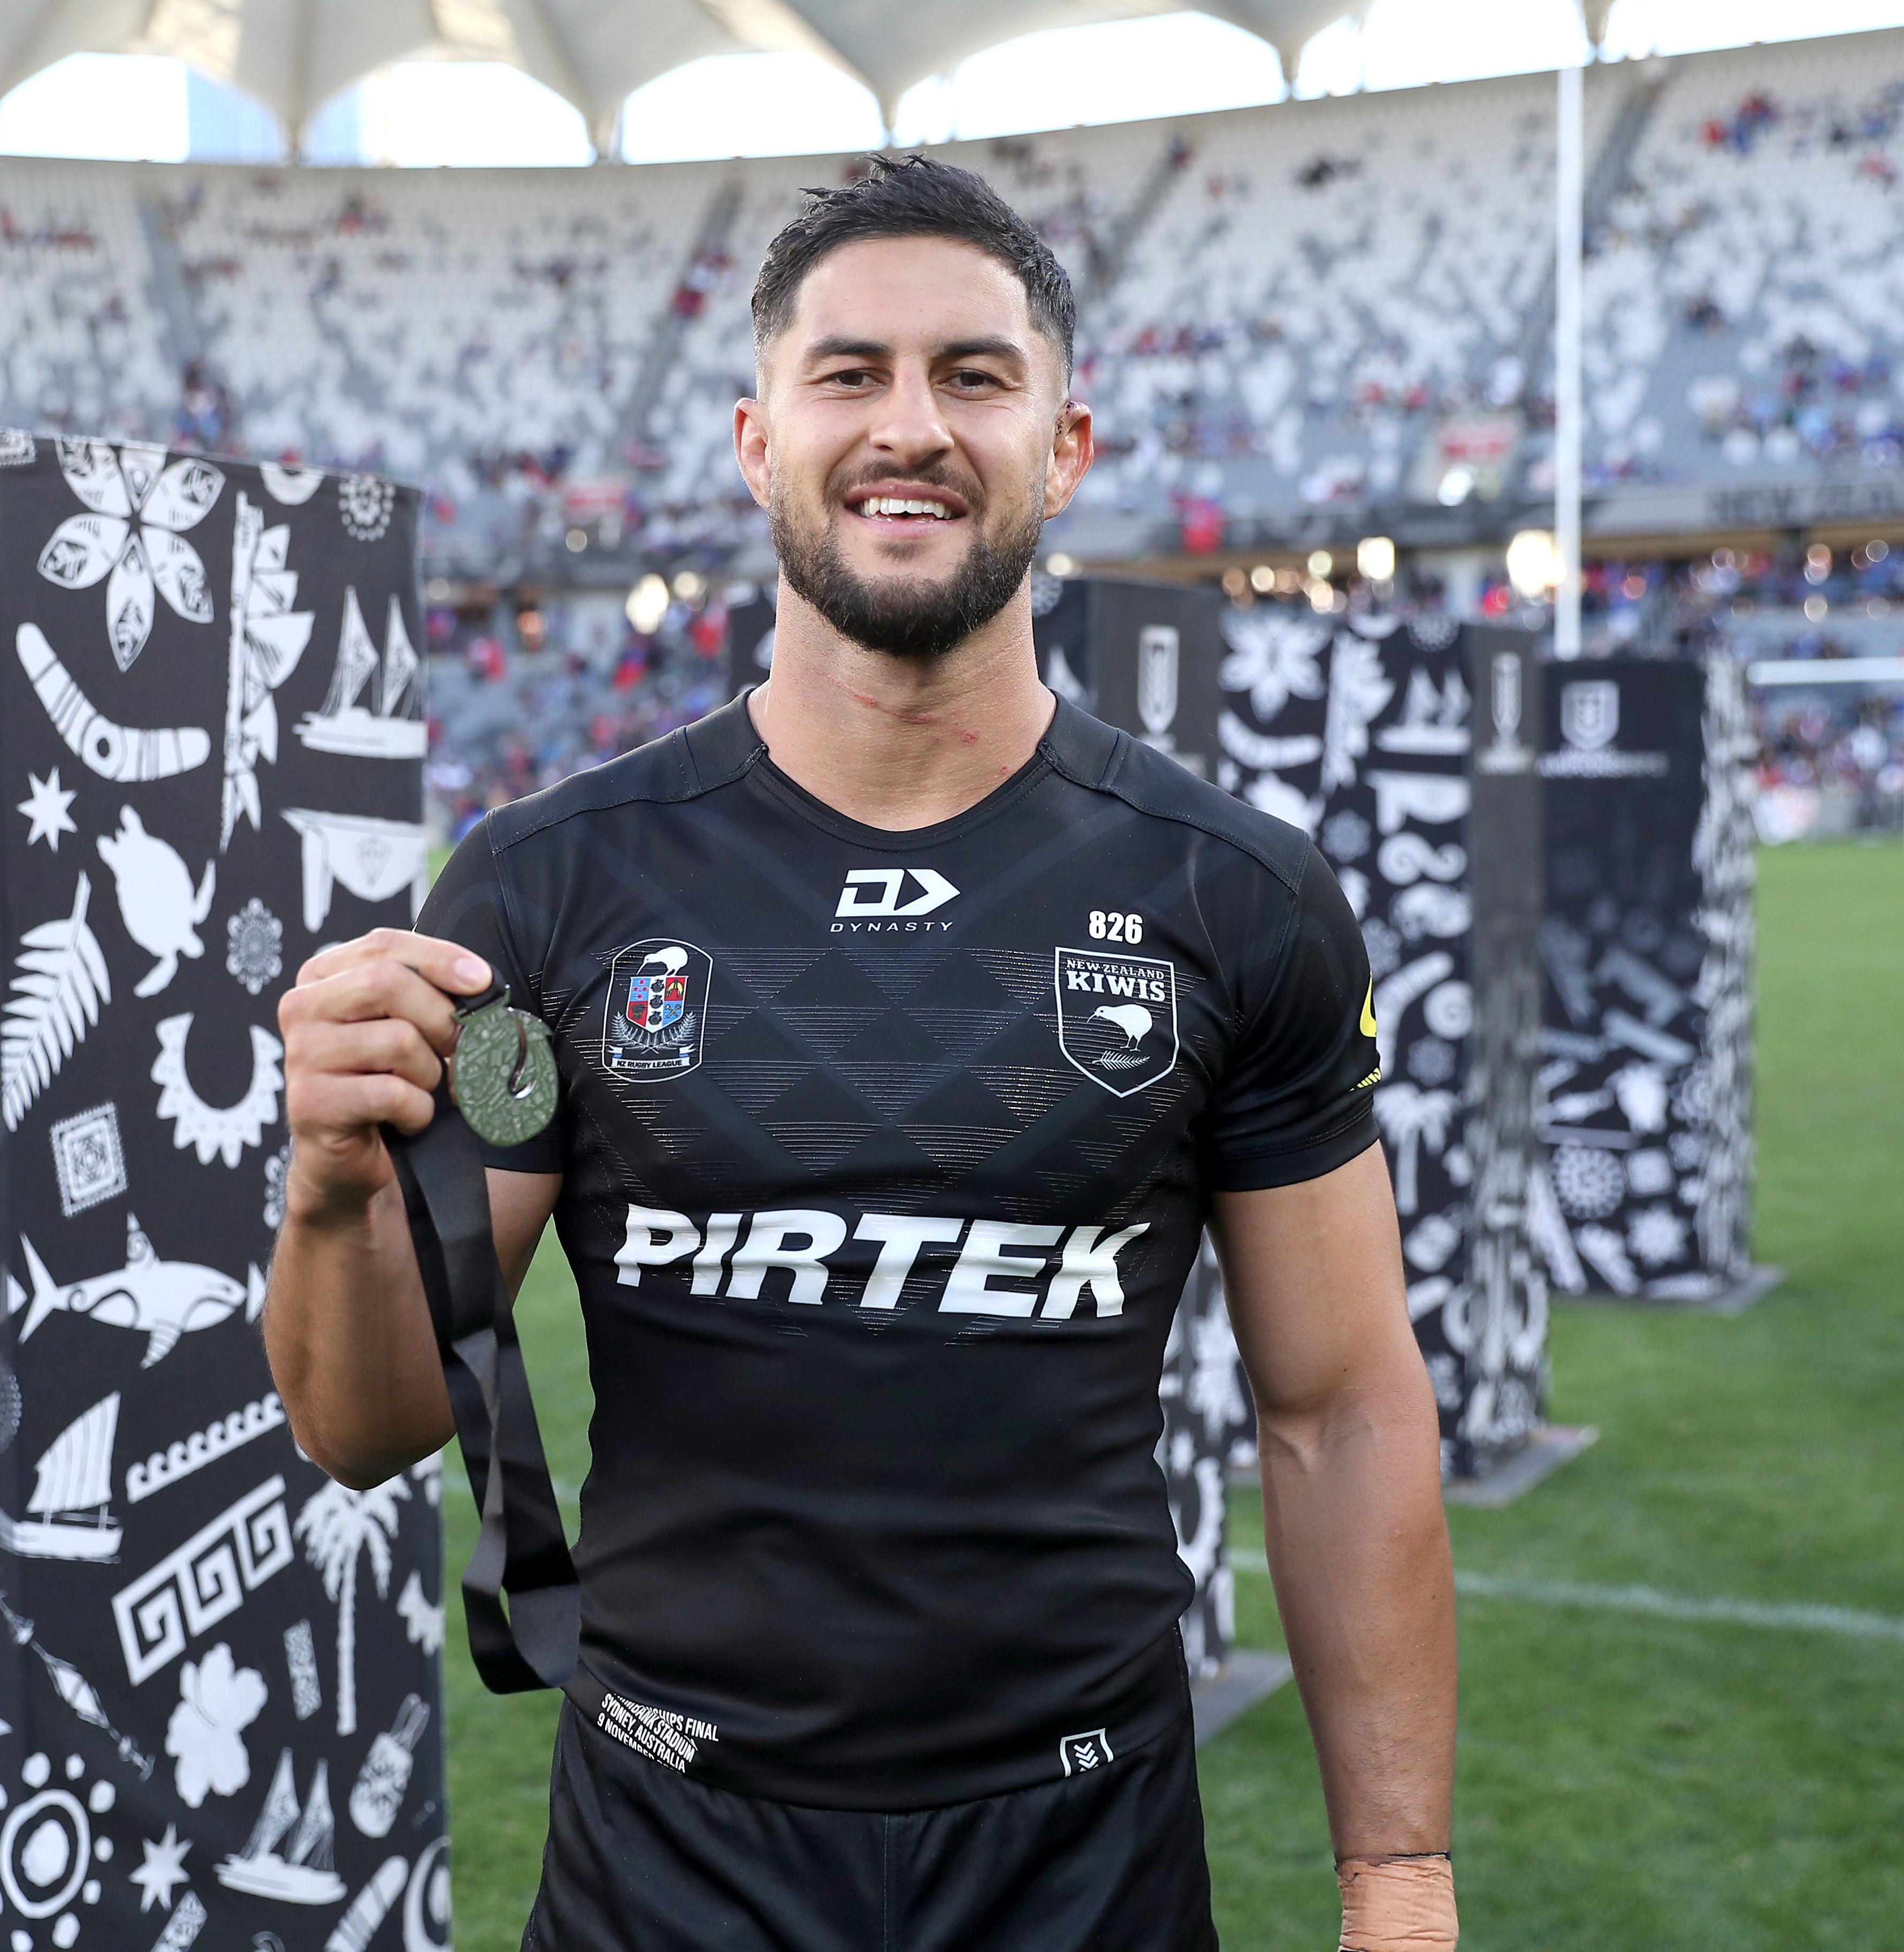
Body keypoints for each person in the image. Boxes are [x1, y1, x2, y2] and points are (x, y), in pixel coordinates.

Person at [264, 155, 1457, 1952]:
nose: (911, 426)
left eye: (975, 376)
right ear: (760, 444)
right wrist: (330, 1190)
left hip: (1084, 1858)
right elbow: (362, 1428)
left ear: (1065, 446)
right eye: (851, 375)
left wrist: (1401, 1886)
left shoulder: (1235, 893)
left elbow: (1342, 1407)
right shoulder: (546, 884)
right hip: (667, 1862)